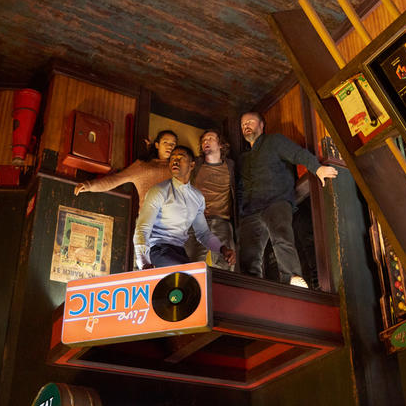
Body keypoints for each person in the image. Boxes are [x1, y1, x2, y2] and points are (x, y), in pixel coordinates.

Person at [237, 112, 338, 287]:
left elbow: (297, 153)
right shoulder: (243, 158)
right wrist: (241, 209)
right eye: (243, 124)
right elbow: (240, 187)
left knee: (281, 238)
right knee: (248, 253)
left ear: (262, 125)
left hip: (275, 200)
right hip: (250, 210)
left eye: (250, 122)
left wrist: (317, 168)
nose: (246, 125)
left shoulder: (274, 141)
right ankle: (252, 288)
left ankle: (292, 277)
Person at [74, 129, 178, 268]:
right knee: (145, 267)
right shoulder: (143, 166)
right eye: (166, 142)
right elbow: (116, 179)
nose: (170, 146)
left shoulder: (177, 169)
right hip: (148, 224)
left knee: (170, 267)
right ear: (157, 145)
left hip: (171, 225)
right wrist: (89, 185)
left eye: (173, 144)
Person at [134, 145, 236, 269]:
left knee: (201, 274)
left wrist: (223, 249)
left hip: (179, 252)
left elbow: (203, 233)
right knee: (192, 272)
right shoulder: (159, 191)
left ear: (192, 165)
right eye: (172, 158)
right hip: (157, 250)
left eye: (180, 158)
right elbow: (142, 229)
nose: (175, 161)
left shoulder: (197, 197)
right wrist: (143, 262)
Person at [185, 129, 237, 270]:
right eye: (203, 140)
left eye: (210, 138)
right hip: (196, 221)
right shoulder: (196, 164)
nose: (206, 142)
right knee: (191, 265)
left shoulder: (231, 166)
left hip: (221, 221)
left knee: (224, 264)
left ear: (221, 144)